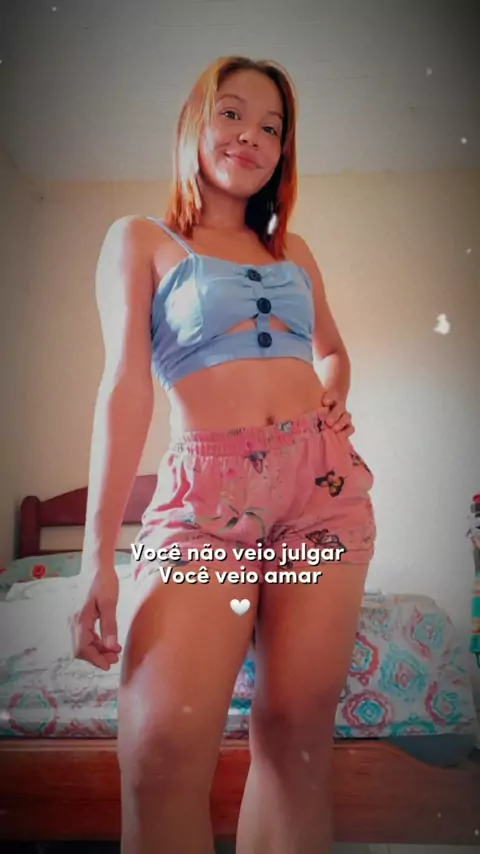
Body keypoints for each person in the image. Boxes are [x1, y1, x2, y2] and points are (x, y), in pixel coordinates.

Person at [71, 55, 376, 854]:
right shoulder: (142, 239)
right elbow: (124, 387)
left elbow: (332, 351)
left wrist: (334, 391)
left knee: (297, 738)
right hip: (207, 503)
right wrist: (95, 559)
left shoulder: (293, 250)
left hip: (322, 496)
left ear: (283, 151)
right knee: (159, 750)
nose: (251, 136)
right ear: (193, 125)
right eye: (232, 113)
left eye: (272, 127)